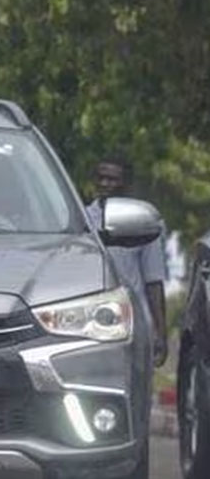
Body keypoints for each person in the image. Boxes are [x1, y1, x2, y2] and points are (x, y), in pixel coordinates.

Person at [86, 155, 169, 368]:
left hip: (133, 326)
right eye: (101, 177)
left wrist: (161, 332)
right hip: (89, 323)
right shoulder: (82, 220)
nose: (105, 184)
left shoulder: (142, 221)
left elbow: (154, 280)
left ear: (126, 183)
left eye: (112, 179)